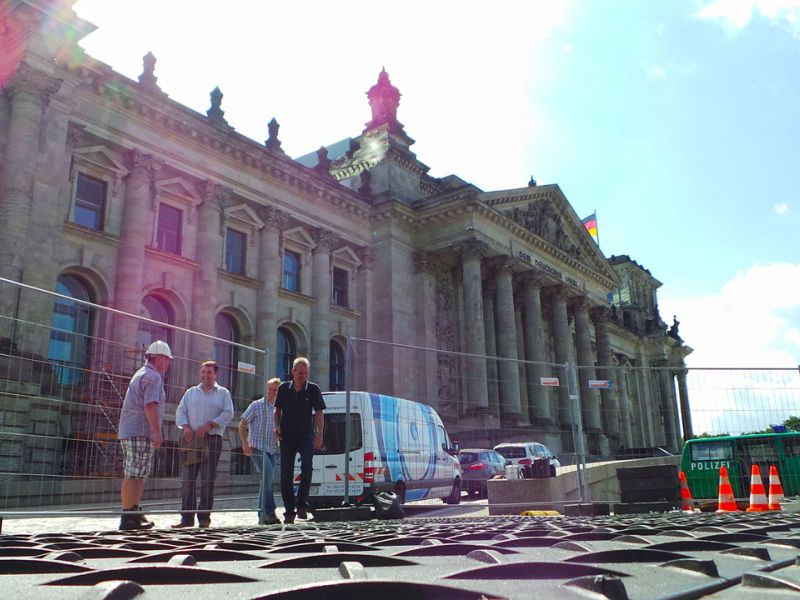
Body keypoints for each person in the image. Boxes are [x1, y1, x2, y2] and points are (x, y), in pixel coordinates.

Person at [117, 340, 173, 530]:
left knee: (137, 473)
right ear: (159, 358)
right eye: (167, 359)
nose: (169, 364)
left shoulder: (141, 373)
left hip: (131, 429)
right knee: (134, 474)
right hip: (140, 430)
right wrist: (157, 432)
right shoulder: (153, 377)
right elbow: (150, 405)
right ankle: (127, 517)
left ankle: (133, 511)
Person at [172, 360, 234, 528]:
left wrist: (209, 425)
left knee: (207, 480)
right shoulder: (191, 392)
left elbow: (228, 413)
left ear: (215, 374)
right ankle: (186, 518)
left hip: (212, 440)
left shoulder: (223, 393)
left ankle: (204, 518)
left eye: (209, 372)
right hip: (191, 440)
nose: (206, 375)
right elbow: (181, 411)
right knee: (188, 480)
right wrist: (185, 426)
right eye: (203, 372)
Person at [274, 357, 325, 524]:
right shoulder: (283, 388)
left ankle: (302, 503)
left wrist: (319, 434)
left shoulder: (313, 389)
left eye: (305, 373)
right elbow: (277, 410)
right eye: (300, 373)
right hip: (287, 436)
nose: (303, 376)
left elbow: (319, 413)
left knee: (306, 466)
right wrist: (276, 426)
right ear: (293, 372)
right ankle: (289, 510)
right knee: (286, 474)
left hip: (305, 435)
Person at [238, 377, 281, 525]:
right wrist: (244, 444)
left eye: (275, 390)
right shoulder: (256, 405)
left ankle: (262, 516)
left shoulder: (279, 408)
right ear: (266, 389)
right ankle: (270, 512)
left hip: (272, 449)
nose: (272, 393)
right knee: (268, 474)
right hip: (257, 446)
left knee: (266, 479)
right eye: (270, 389)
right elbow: (242, 424)